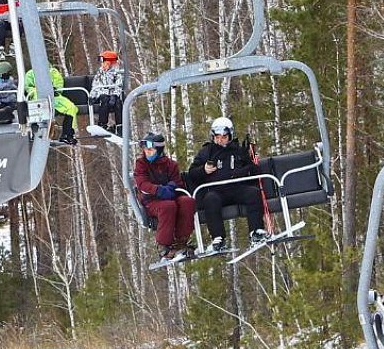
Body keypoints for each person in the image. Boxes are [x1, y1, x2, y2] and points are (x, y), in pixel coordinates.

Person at [185, 117, 264, 251]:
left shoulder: (238, 150)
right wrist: (203, 170)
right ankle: (218, 238)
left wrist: (248, 160)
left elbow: (255, 174)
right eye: (217, 137)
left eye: (224, 136)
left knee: (253, 193)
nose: (220, 140)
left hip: (236, 188)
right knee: (210, 199)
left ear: (230, 136)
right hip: (216, 191)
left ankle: (256, 232)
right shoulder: (207, 151)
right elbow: (192, 174)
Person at [134, 132, 196, 262]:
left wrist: (171, 187)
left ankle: (181, 240)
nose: (147, 153)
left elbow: (178, 182)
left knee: (187, 202)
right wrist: (158, 190)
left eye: (150, 150)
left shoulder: (170, 164)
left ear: (159, 150)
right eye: (146, 150)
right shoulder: (141, 164)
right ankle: (163, 246)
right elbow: (142, 183)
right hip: (151, 200)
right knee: (168, 206)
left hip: (170, 197)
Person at [25, 67, 78, 145]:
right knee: (40, 107)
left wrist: (55, 89)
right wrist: (37, 90)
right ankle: (37, 133)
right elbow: (28, 87)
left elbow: (59, 84)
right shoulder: (30, 73)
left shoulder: (52, 72)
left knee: (71, 107)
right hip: (38, 98)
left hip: (53, 97)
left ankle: (68, 133)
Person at [89, 50, 124, 132]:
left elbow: (119, 85)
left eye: (105, 62)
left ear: (110, 63)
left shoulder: (117, 73)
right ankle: (102, 124)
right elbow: (95, 85)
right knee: (104, 100)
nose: (103, 65)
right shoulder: (100, 72)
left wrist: (115, 95)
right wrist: (92, 96)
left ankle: (120, 126)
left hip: (113, 95)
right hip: (102, 94)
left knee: (118, 103)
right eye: (103, 63)